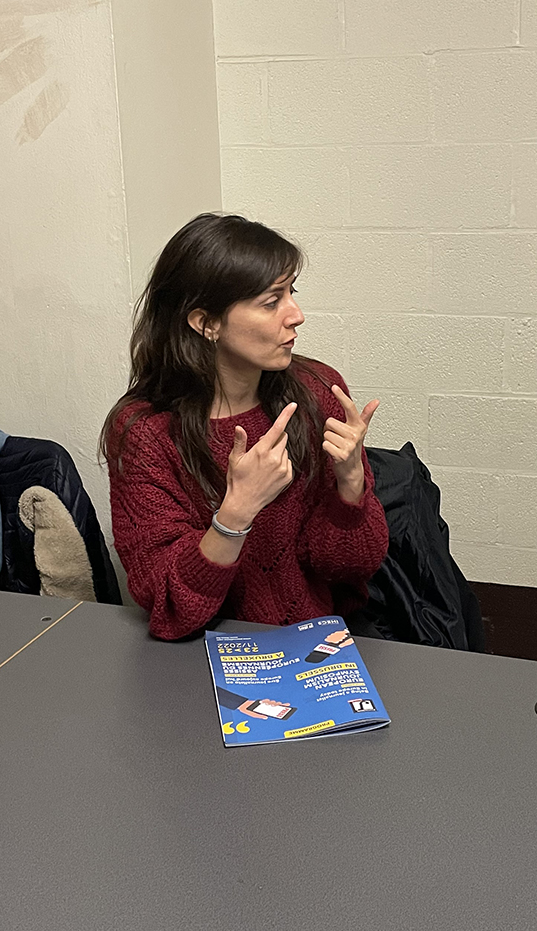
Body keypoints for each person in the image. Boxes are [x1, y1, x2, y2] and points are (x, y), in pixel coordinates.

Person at [102, 213, 389, 640]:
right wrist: (236, 512)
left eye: (292, 293)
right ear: (206, 323)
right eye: (271, 302)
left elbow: (352, 569)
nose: (297, 315)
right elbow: (170, 605)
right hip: (198, 655)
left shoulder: (316, 393)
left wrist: (350, 485)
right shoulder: (145, 432)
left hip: (317, 646)